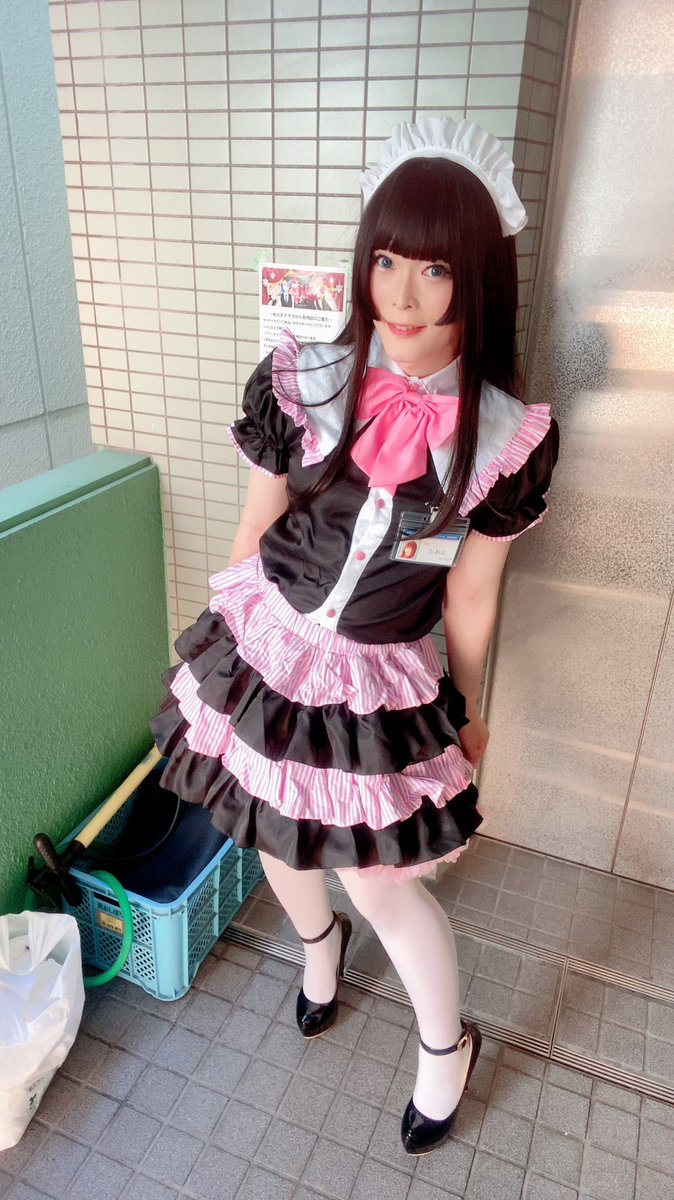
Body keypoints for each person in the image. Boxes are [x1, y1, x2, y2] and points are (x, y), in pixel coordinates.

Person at [150, 116, 559, 1155]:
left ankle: (445, 1048)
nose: (401, 296)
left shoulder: (504, 436)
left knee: (383, 879)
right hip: (271, 640)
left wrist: (466, 713)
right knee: (266, 824)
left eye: (434, 269)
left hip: (379, 677)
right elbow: (256, 527)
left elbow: (470, 595)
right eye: (385, 260)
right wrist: (221, 649)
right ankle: (315, 948)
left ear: (477, 278)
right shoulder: (306, 379)